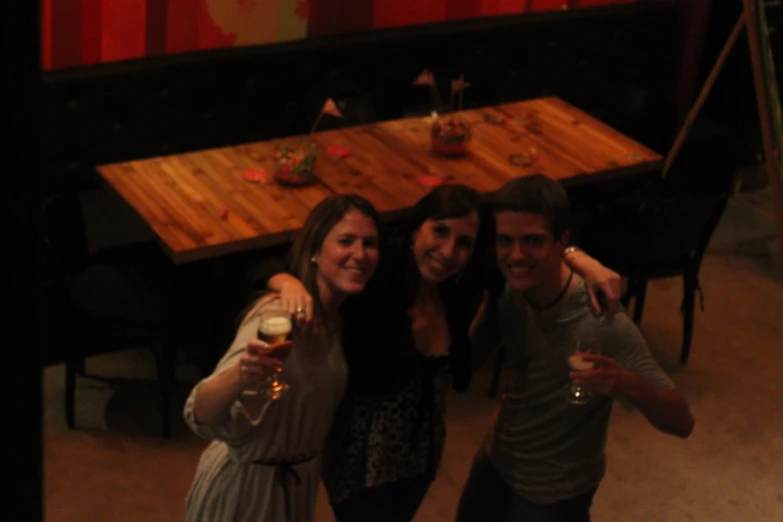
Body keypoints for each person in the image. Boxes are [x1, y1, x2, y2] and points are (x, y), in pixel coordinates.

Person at [252, 182, 624, 522]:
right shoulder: (374, 271)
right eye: (440, 231)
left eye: (464, 242)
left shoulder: (460, 284)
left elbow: (527, 252)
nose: (449, 252)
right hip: (361, 457)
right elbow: (259, 263)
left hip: (422, 449)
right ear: (417, 227)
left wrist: (580, 259)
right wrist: (285, 280)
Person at [456, 174, 695, 522]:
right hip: (497, 458)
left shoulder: (603, 320)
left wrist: (625, 383)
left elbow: (682, 422)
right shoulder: (510, 289)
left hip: (555, 493)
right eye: (506, 240)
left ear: (561, 242)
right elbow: (470, 364)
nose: (517, 255)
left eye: (533, 241)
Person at [183, 194, 382, 522]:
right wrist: (239, 376)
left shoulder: (336, 319)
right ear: (316, 252)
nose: (360, 254)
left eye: (370, 243)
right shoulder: (280, 317)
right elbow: (199, 413)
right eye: (346, 241)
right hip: (245, 492)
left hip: (294, 486)